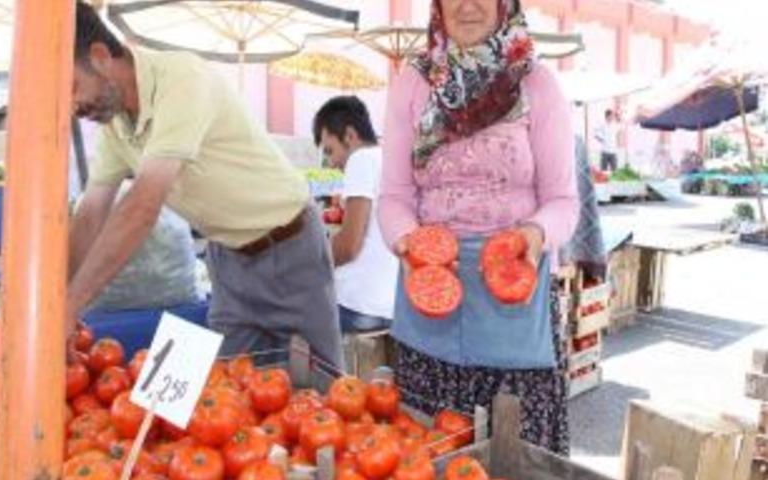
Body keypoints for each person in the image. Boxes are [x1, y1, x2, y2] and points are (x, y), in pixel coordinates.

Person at [66, 2, 344, 368]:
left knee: (324, 389)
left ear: (101, 56)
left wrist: (70, 308)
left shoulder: (181, 77)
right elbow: (89, 215)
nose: (73, 106)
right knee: (227, 390)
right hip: (228, 262)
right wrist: (56, 303)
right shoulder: (116, 127)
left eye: (73, 87)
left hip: (290, 249)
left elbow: (142, 206)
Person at [379, 0, 578, 455]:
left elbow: (564, 203)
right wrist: (407, 242)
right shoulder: (412, 83)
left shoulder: (536, 83)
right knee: (430, 448)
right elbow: (393, 196)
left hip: (514, 292)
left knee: (515, 454)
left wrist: (535, 234)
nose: (467, 6)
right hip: (428, 286)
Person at [312, 96, 399, 333]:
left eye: (330, 151)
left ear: (350, 136)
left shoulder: (361, 159)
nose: (330, 163)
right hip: (391, 307)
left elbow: (349, 246)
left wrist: (305, 262)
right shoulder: (390, 158)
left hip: (356, 305)